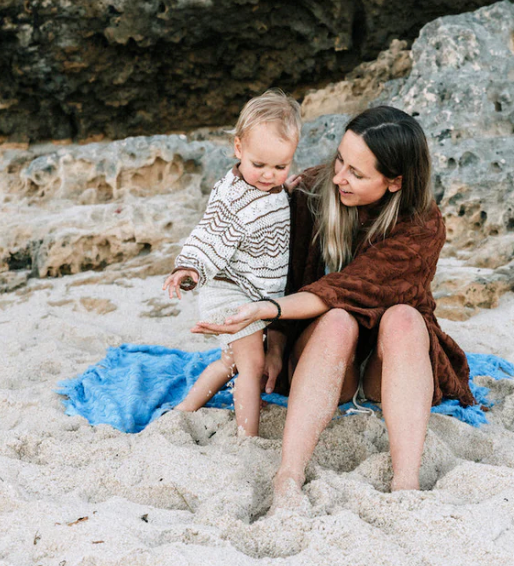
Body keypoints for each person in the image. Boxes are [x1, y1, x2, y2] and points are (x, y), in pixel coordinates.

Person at [193, 105, 473, 499]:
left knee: (406, 319)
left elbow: (349, 287)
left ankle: (406, 481)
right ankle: (288, 475)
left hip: (386, 363)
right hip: (322, 356)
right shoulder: (310, 191)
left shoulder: (422, 224)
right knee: (339, 319)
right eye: (340, 158)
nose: (339, 176)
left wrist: (268, 310)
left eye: (356, 173)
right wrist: (272, 339)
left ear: (395, 182)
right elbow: (273, 269)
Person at [162, 89, 301, 437]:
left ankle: (185, 409)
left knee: (229, 362)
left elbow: (275, 202)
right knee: (251, 365)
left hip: (254, 291)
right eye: (259, 165)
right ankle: (247, 437)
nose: (268, 175)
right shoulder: (232, 197)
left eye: (280, 166)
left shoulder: (272, 189)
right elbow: (209, 234)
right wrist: (189, 269)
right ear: (238, 149)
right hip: (228, 291)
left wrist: (289, 188)